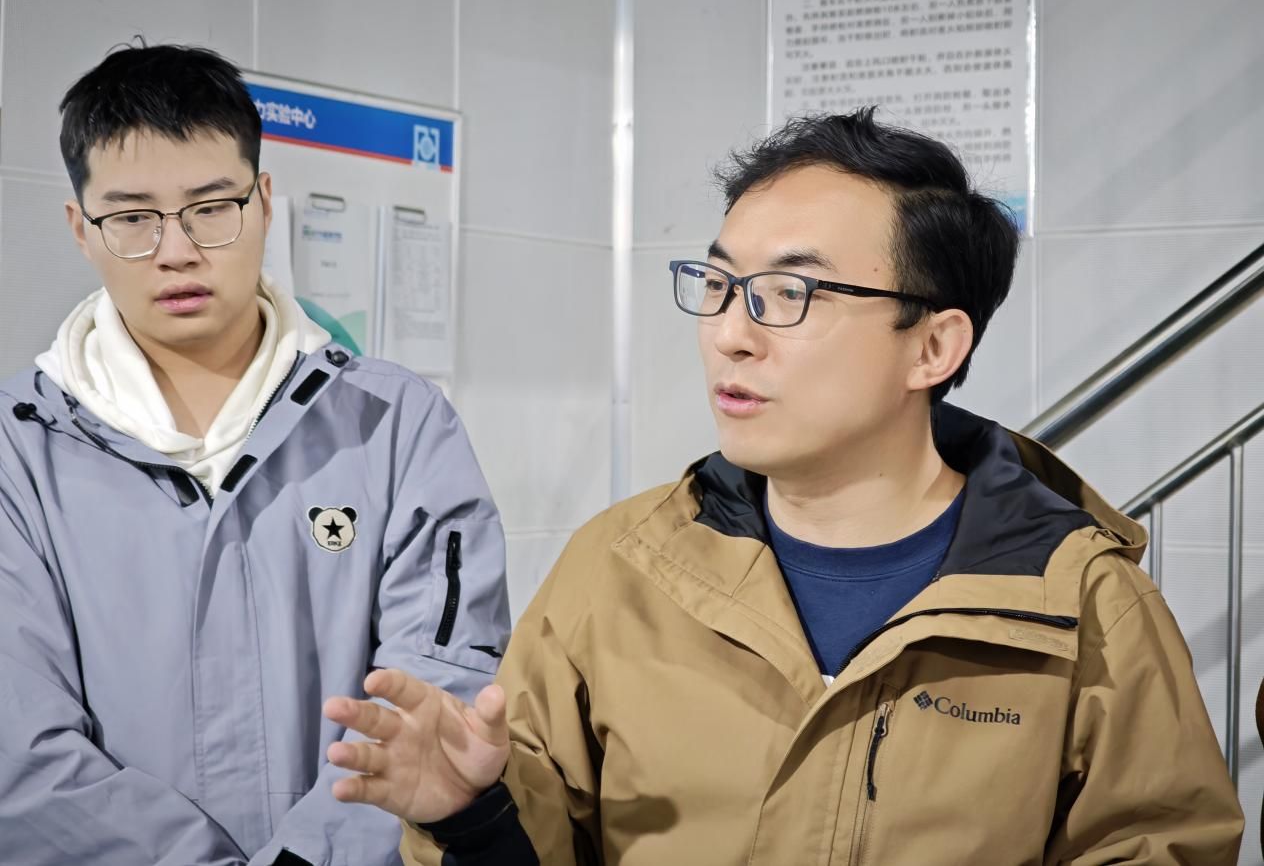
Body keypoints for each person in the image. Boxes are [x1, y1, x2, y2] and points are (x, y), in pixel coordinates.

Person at [323, 109, 1244, 864]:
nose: (731, 333)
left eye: (790, 294)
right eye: (720, 285)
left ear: (933, 346)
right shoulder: (617, 570)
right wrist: (473, 815)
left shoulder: (1084, 607)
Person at [0, 44, 511, 866]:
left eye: (211, 208)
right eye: (132, 218)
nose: (176, 250)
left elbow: (435, 696)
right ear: (81, 230)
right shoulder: (18, 453)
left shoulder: (395, 425)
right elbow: (20, 755)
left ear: (265, 202)